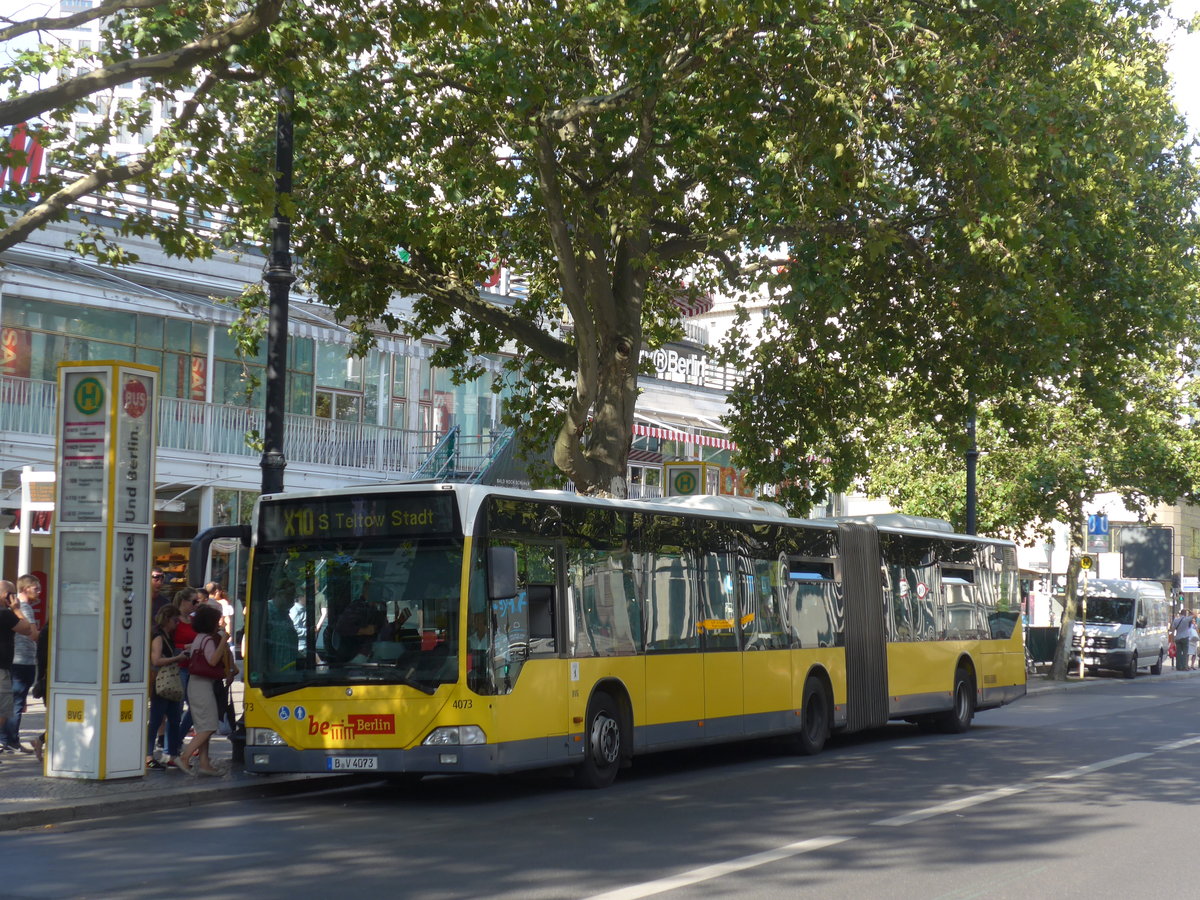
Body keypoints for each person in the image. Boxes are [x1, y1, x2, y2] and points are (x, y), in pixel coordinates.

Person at [178, 604, 233, 776]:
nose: (219, 623)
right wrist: (224, 641)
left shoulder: (199, 637)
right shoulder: (208, 639)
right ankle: (185, 757)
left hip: (197, 685)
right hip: (203, 686)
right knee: (209, 726)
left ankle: (204, 763)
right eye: (217, 620)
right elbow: (212, 661)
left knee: (203, 725)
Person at [145, 604, 188, 770]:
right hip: (161, 682)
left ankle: (172, 754)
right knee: (156, 719)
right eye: (175, 620)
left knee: (174, 718)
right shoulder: (158, 636)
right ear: (168, 619)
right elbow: (156, 660)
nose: (177, 624)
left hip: (168, 682)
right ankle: (148, 755)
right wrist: (177, 658)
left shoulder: (167, 635)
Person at [0, 580, 37, 765]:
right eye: (11, 594)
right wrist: (16, 608)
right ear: (7, 596)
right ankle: (5, 743)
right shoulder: (6, 614)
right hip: (3, 670)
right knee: (4, 709)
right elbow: (27, 629)